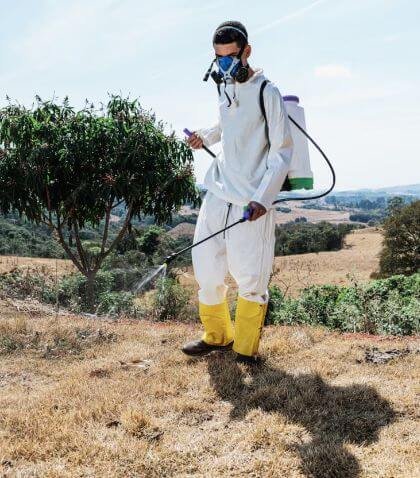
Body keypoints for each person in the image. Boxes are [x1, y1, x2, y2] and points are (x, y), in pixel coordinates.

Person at [182, 20, 293, 364]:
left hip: (252, 201)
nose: (226, 66)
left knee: (250, 276)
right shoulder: (224, 87)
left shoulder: (267, 92)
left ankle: (245, 349)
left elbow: (282, 151)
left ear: (247, 52)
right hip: (218, 191)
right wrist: (204, 136)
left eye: (231, 58)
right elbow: (227, 127)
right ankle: (217, 336)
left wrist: (264, 197)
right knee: (206, 268)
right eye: (219, 59)